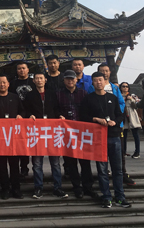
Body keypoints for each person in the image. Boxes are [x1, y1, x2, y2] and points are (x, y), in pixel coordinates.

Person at [80, 72, 131, 209]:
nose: (98, 82)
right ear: (92, 83)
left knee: (117, 169)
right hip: (98, 138)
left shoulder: (112, 97)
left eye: (100, 80)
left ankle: (120, 197)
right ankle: (106, 197)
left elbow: (120, 115)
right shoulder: (88, 99)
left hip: (114, 136)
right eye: (95, 80)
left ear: (105, 81)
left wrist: (115, 122)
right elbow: (83, 116)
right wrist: (95, 119)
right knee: (102, 170)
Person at [24, 72, 67, 200]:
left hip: (51, 130)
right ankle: (38, 188)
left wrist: (59, 115)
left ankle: (58, 187)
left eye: (41, 78)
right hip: (37, 131)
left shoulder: (52, 94)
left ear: (45, 80)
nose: (39, 80)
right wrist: (29, 115)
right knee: (37, 162)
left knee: (55, 162)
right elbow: (26, 109)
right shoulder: (29, 95)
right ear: (33, 81)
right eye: (37, 78)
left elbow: (56, 108)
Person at [56, 70, 95, 199]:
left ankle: (88, 187)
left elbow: (89, 110)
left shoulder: (83, 93)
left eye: (72, 79)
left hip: (82, 132)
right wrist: (58, 116)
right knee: (71, 162)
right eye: (67, 79)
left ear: (76, 80)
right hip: (66, 133)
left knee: (85, 161)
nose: (70, 81)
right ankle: (77, 187)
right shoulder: (58, 94)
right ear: (64, 80)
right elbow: (55, 110)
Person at [0, 74, 24, 200]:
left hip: (13, 137)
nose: (2, 85)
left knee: (14, 164)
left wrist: (20, 116)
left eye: (4, 82)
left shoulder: (15, 97)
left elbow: (22, 111)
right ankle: (5, 189)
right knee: (1, 165)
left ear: (8, 84)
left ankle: (16, 189)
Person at [96, 63, 132, 186]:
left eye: (106, 71)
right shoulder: (92, 87)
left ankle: (123, 173)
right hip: (99, 125)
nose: (104, 73)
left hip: (115, 125)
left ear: (110, 72)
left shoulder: (115, 88)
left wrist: (115, 117)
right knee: (102, 152)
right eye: (102, 71)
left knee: (119, 151)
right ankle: (105, 174)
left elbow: (121, 103)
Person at [11, 61, 35, 177]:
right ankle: (22, 168)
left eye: (24, 68)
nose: (21, 70)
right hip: (18, 117)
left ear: (28, 70)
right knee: (19, 144)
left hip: (31, 116)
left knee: (30, 144)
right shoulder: (13, 84)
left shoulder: (33, 82)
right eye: (19, 68)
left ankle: (30, 167)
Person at [120, 82, 141, 159]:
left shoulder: (132, 96)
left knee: (135, 134)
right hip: (123, 115)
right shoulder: (119, 96)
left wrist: (131, 99)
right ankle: (123, 151)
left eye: (127, 86)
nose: (125, 88)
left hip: (132, 115)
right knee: (123, 135)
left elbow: (136, 106)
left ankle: (137, 152)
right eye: (123, 86)